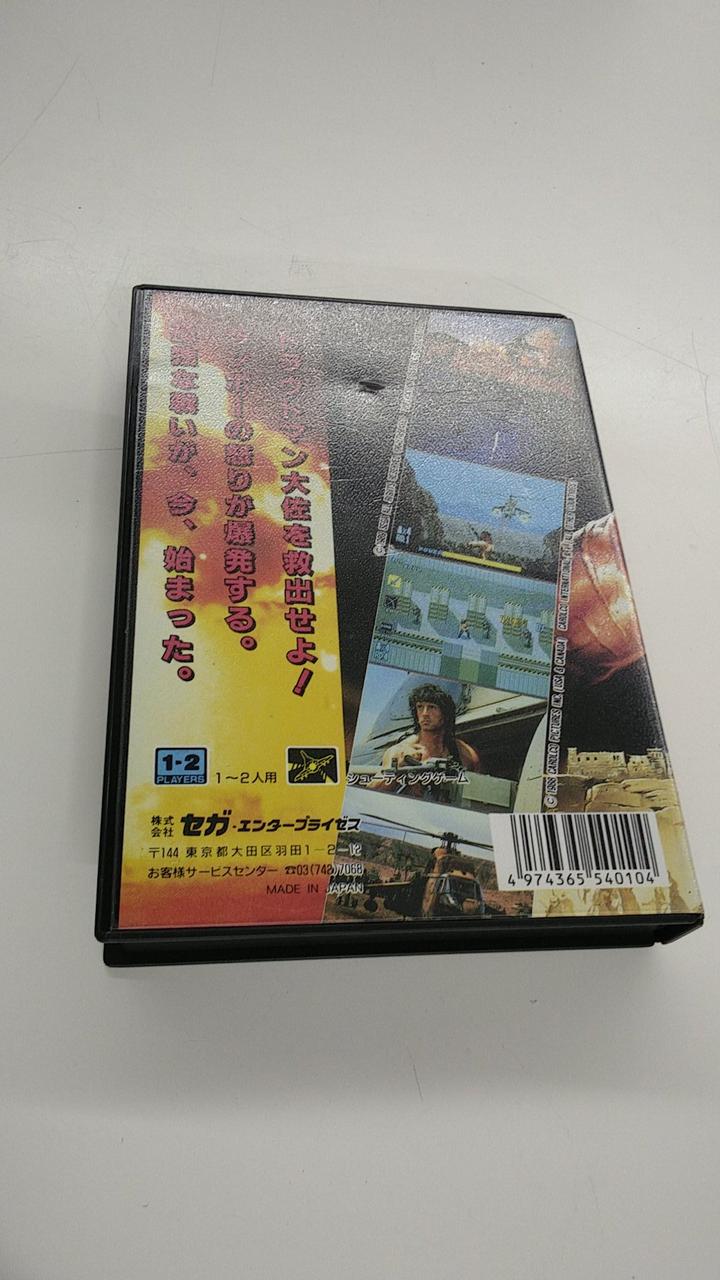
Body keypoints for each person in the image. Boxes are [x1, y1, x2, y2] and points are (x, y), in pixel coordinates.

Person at [371, 684, 481, 792]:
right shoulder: (399, 751)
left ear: (445, 714)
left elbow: (479, 789)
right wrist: (398, 768)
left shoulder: (464, 753)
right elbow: (373, 790)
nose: (424, 714)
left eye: (432, 707)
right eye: (420, 707)